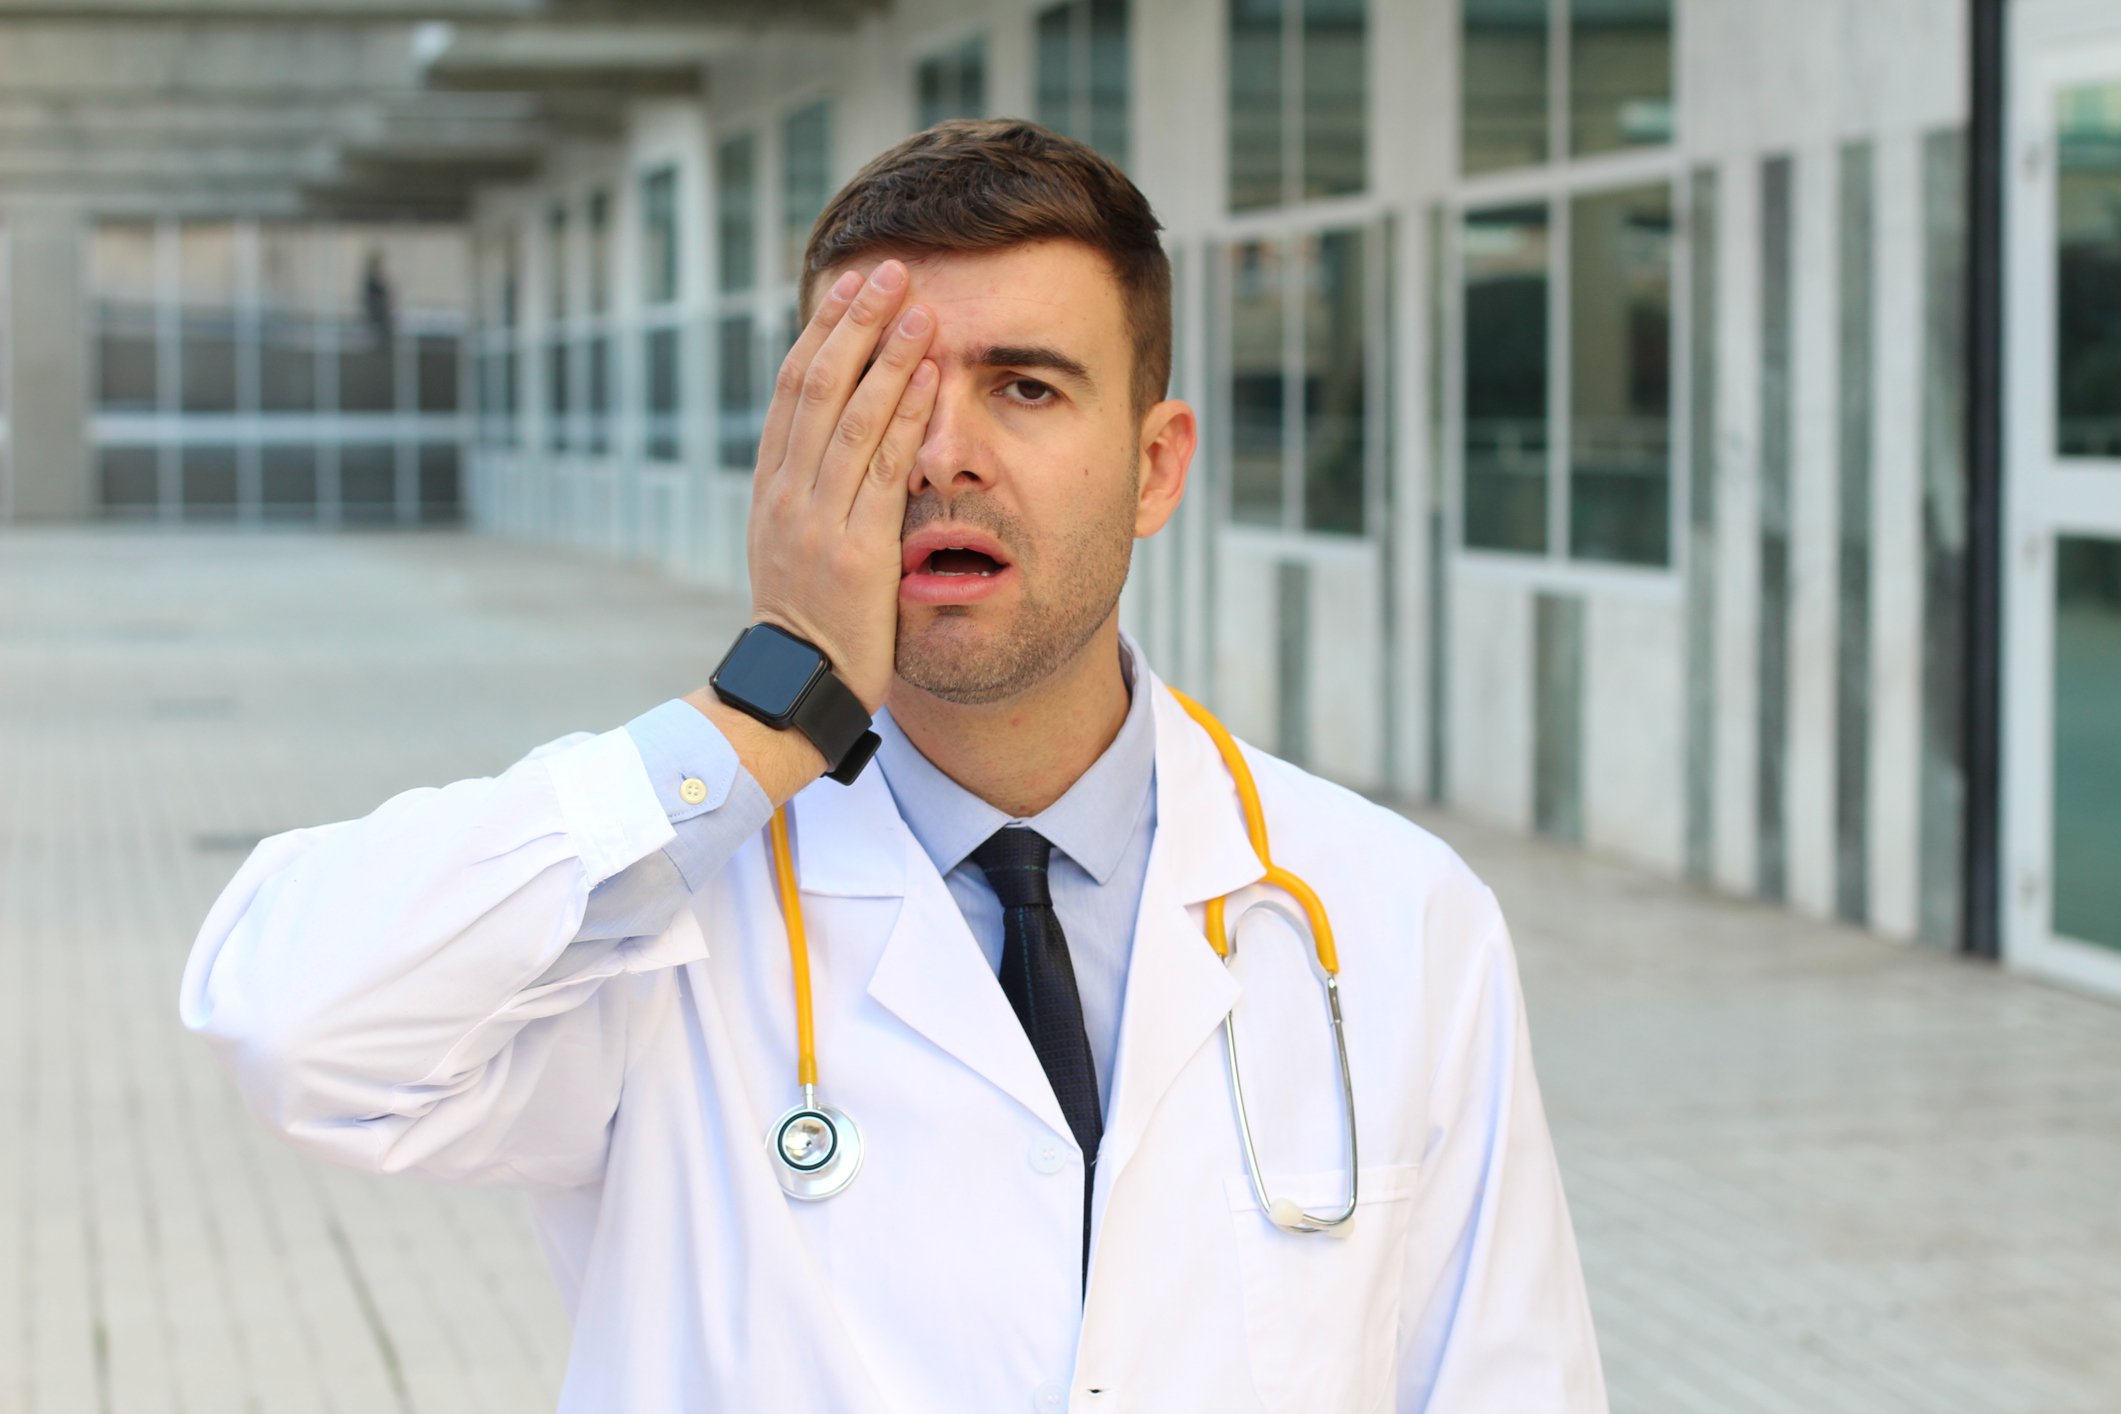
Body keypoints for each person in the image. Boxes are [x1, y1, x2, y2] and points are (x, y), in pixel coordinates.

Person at [182, 119, 1606, 1412]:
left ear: (1156, 464)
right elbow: (299, 1027)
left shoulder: (1394, 915)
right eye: (878, 391)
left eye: (1025, 388)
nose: (940, 454)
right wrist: (768, 701)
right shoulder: (653, 912)